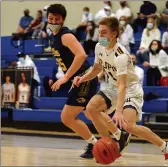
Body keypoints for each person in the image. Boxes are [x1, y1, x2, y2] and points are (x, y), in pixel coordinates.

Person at [73, 17, 168, 166]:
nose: (100, 36)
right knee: (91, 109)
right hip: (112, 86)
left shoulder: (121, 55)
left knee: (128, 125)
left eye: (104, 33)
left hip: (130, 88)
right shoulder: (99, 46)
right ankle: (111, 140)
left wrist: (119, 111)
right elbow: (97, 68)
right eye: (99, 32)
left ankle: (167, 147)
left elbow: (122, 85)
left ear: (114, 34)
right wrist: (82, 78)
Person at [46, 4, 129, 159]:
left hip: (83, 79)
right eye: (51, 18)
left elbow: (81, 55)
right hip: (82, 79)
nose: (53, 21)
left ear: (63, 20)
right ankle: (119, 134)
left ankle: (94, 144)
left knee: (67, 117)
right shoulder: (54, 36)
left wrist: (65, 77)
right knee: (92, 113)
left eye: (57, 19)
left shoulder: (66, 36)